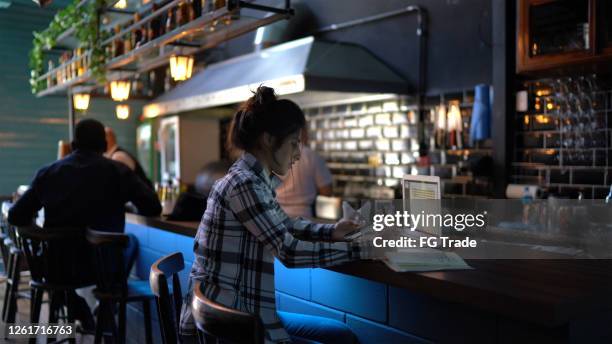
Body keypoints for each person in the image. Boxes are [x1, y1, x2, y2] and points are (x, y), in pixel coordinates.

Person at [179, 86, 363, 344]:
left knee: (338, 333)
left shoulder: (253, 180)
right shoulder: (244, 184)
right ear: (267, 140)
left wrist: (332, 231)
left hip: (238, 312)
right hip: (228, 325)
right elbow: (289, 252)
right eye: (293, 144)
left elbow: (284, 225)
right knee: (340, 337)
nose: (298, 154)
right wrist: (366, 250)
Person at [8, 118, 162, 329]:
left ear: (73, 145)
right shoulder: (117, 171)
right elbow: (153, 208)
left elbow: (16, 216)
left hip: (58, 268)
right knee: (130, 242)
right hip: (103, 269)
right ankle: (107, 307)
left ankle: (75, 304)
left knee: (57, 272)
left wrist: (40, 235)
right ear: (105, 146)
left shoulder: (49, 173)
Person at [276, 127, 333, 218]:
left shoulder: (275, 154)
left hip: (277, 214)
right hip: (303, 214)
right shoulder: (311, 156)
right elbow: (327, 191)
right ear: (303, 132)